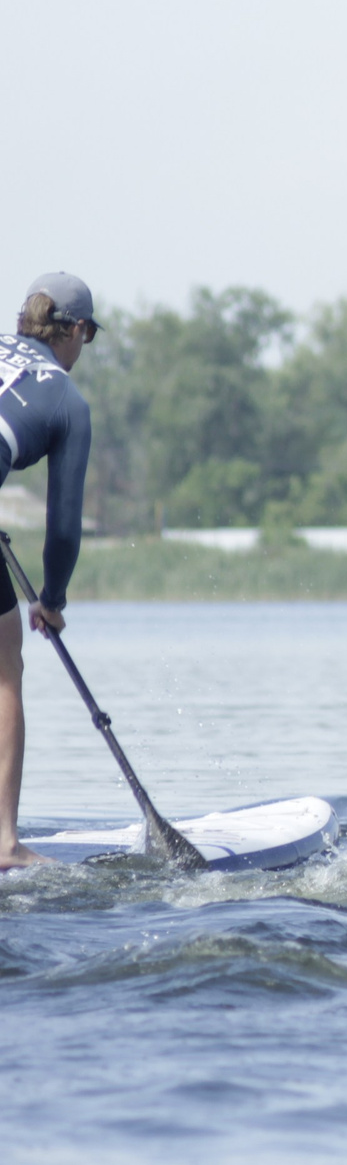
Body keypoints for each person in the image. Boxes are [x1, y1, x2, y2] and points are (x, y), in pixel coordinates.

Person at [0, 275, 101, 870]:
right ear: (76, 331)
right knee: (4, 669)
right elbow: (63, 529)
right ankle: (5, 844)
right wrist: (52, 601)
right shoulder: (66, 400)